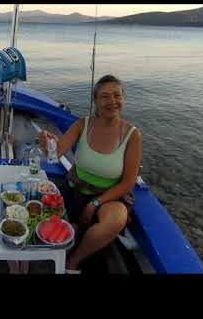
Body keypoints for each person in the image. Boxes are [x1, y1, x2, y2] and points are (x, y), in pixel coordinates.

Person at [39, 75, 142, 273]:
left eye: (116, 95)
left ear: (123, 99)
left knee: (116, 220)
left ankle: (74, 261)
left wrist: (95, 203)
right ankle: (74, 229)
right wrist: (47, 143)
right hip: (75, 187)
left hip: (109, 195)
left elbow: (128, 183)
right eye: (105, 96)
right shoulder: (82, 125)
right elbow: (55, 153)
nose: (112, 101)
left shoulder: (132, 135)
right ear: (95, 101)